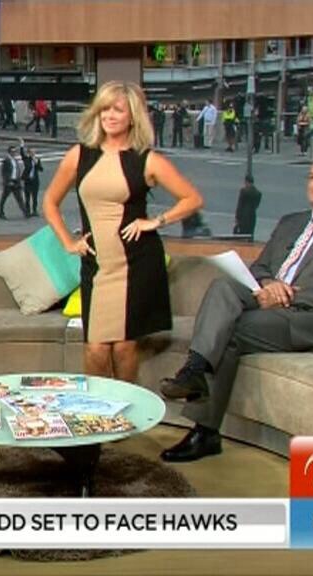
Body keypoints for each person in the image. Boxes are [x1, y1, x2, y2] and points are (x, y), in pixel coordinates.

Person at [158, 155, 313, 462]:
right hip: (269, 302)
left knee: (228, 332)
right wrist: (269, 283)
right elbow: (260, 267)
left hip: (311, 320)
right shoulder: (291, 222)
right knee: (223, 287)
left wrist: (287, 295)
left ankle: (204, 431)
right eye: (312, 177)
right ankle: (194, 370)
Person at [42, 81, 203, 382]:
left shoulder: (147, 160)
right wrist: (68, 242)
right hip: (97, 266)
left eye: (117, 110)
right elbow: (50, 202)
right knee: (96, 349)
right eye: (104, 109)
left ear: (133, 117)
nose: (109, 115)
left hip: (136, 264)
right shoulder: (79, 155)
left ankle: (126, 409)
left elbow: (192, 198)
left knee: (124, 348)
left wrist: (156, 221)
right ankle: (97, 408)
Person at [0, 145, 28, 219]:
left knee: (19, 198)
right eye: (13, 151)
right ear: (9, 152)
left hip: (16, 182)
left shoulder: (15, 160)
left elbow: (17, 170)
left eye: (15, 151)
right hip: (9, 182)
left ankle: (25, 212)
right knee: (4, 198)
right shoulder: (6, 160)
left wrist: (19, 180)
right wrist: (7, 181)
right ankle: (1, 212)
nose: (14, 153)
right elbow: (4, 172)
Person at [20, 143, 43, 216]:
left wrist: (36, 163)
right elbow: (22, 154)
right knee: (27, 197)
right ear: (28, 153)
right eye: (31, 152)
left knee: (35, 197)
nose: (33, 154)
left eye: (34, 152)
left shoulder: (37, 160)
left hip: (35, 181)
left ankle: (34, 210)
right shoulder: (26, 159)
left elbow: (41, 169)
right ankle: (27, 211)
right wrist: (22, 145)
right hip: (28, 180)